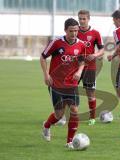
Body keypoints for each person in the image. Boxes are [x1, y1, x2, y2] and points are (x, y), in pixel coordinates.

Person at [40, 18, 86, 148]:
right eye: (71, 31)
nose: (74, 34)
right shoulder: (56, 43)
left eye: (76, 31)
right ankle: (46, 126)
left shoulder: (81, 44)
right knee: (59, 115)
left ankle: (69, 142)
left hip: (72, 84)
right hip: (56, 83)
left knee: (74, 111)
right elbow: (43, 57)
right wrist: (46, 75)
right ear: (65, 30)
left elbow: (82, 61)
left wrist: (79, 71)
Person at [77, 10, 105, 125]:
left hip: (90, 67)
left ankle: (92, 118)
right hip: (75, 67)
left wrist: (94, 55)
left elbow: (102, 50)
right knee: (69, 91)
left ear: (88, 19)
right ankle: (67, 116)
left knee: (90, 93)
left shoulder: (95, 33)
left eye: (84, 19)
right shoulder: (74, 31)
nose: (82, 21)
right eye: (80, 19)